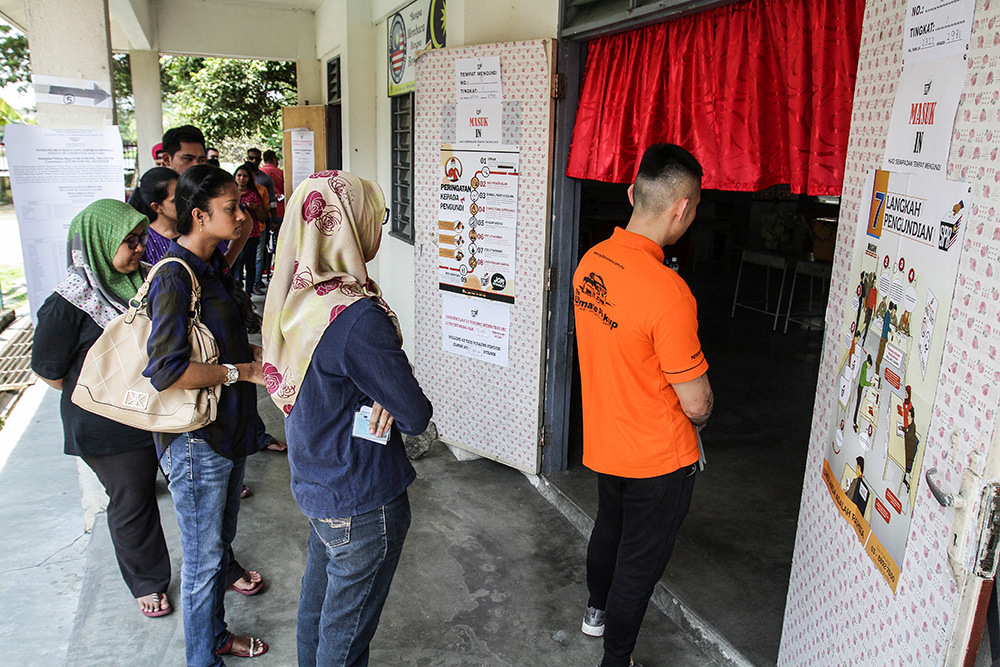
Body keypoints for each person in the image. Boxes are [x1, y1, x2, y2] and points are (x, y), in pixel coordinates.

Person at [262, 171, 431, 667]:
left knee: (318, 613)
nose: (377, 226)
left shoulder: (295, 297)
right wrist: (390, 392)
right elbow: (415, 414)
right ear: (347, 225)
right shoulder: (357, 317)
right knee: (346, 636)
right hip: (362, 498)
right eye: (373, 217)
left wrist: (382, 388)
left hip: (317, 481)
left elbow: (323, 381)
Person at [572, 144, 712, 667]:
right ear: (681, 208)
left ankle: (595, 611)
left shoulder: (591, 263)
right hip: (658, 455)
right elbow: (695, 402)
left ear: (633, 193)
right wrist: (706, 408)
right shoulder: (668, 292)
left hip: (607, 441)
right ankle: (617, 658)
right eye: (694, 208)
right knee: (639, 560)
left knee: (609, 528)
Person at [144, 165, 270, 664]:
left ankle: (214, 637)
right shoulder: (174, 276)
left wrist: (256, 355)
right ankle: (203, 658)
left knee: (219, 547)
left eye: (240, 207)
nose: (239, 217)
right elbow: (167, 370)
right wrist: (241, 372)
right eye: (230, 209)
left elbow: (222, 338)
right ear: (197, 215)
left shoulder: (209, 267)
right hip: (197, 441)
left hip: (227, 432)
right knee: (202, 563)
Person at [31, 200, 172, 619]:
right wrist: (101, 391)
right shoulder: (67, 303)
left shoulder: (144, 284)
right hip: (104, 424)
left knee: (194, 488)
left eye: (141, 239)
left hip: (154, 407)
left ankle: (223, 567)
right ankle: (148, 581)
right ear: (96, 242)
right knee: (133, 497)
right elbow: (50, 371)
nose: (139, 249)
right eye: (128, 241)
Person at [233, 163, 268, 294]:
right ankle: (236, 291)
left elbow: (263, 217)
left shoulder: (254, 194)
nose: (242, 178)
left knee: (251, 263)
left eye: (245, 176)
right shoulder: (230, 194)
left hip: (251, 234)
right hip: (234, 233)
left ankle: (248, 292)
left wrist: (255, 208)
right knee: (236, 263)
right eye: (239, 175)